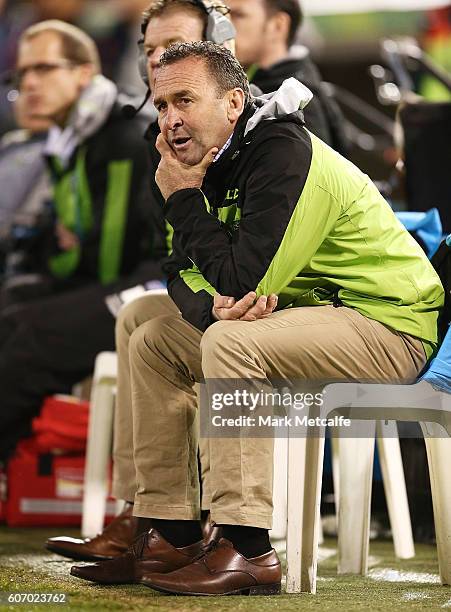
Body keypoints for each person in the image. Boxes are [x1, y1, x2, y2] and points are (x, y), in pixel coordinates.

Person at [67, 41, 443, 596]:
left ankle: (248, 547)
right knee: (147, 327)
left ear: (234, 103)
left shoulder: (280, 151)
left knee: (231, 343)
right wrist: (211, 303)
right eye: (162, 104)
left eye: (185, 101)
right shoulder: (187, 158)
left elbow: (242, 277)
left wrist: (185, 205)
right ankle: (169, 528)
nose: (169, 119)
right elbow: (180, 270)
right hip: (307, 313)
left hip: (388, 323)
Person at [45, 0, 234, 563]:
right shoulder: (160, 133)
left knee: (141, 323)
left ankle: (192, 523)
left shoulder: (262, 126)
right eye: (150, 50)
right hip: (206, 292)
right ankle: (148, 511)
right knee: (137, 315)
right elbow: (174, 255)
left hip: (272, 304)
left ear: (217, 49)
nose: (160, 60)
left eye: (175, 47)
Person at [0, 20, 161, 459]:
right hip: (117, 272)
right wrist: (61, 248)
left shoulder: (121, 135)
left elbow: (110, 257)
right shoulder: (71, 138)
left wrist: (66, 248)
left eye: (44, 69)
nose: (29, 83)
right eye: (20, 75)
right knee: (10, 306)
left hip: (157, 283)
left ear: (84, 72)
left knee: (31, 334)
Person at [227, 0, 348, 153]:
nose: (224, 27)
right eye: (222, 14)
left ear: (278, 26)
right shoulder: (281, 87)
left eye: (238, 15)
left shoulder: (298, 103)